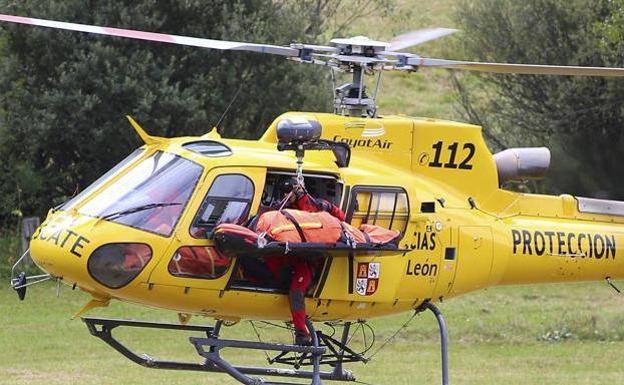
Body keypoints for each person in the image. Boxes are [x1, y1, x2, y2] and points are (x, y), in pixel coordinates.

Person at [276, 177, 346, 345]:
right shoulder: (286, 208)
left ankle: (303, 333)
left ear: (297, 191)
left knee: (296, 291)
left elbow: (341, 218)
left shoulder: (315, 206)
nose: (285, 196)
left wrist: (330, 210)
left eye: (288, 193)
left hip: (309, 261)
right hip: (293, 257)